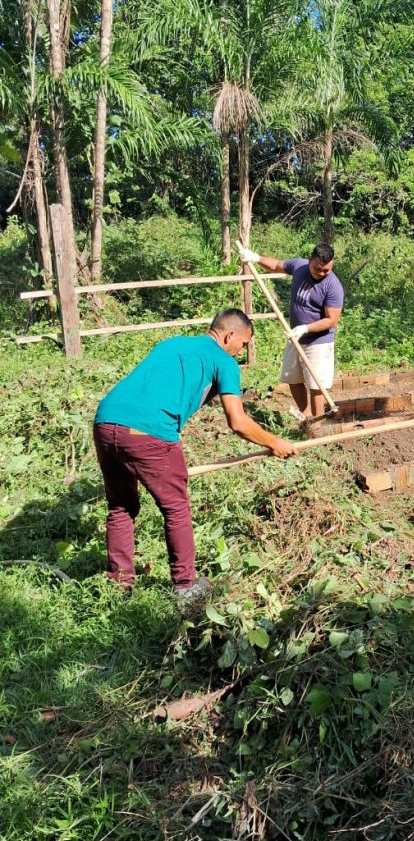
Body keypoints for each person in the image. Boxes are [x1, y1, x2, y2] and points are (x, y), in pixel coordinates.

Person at [93, 309, 296, 602]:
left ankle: (119, 585)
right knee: (176, 508)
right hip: (149, 431)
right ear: (229, 336)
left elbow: (161, 387)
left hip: (106, 422)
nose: (242, 351)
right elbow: (238, 422)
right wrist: (274, 442)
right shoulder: (224, 361)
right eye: (243, 344)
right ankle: (186, 586)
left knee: (121, 507)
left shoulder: (173, 344)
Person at [240, 242, 344, 420]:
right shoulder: (299, 266)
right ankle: (305, 414)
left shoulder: (333, 286)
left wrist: (305, 328)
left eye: (326, 270)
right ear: (309, 259)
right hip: (295, 336)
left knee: (315, 384)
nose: (322, 273)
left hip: (318, 340)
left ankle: (317, 421)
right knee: (293, 378)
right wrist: (255, 258)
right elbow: (276, 265)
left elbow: (332, 320)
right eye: (317, 268)